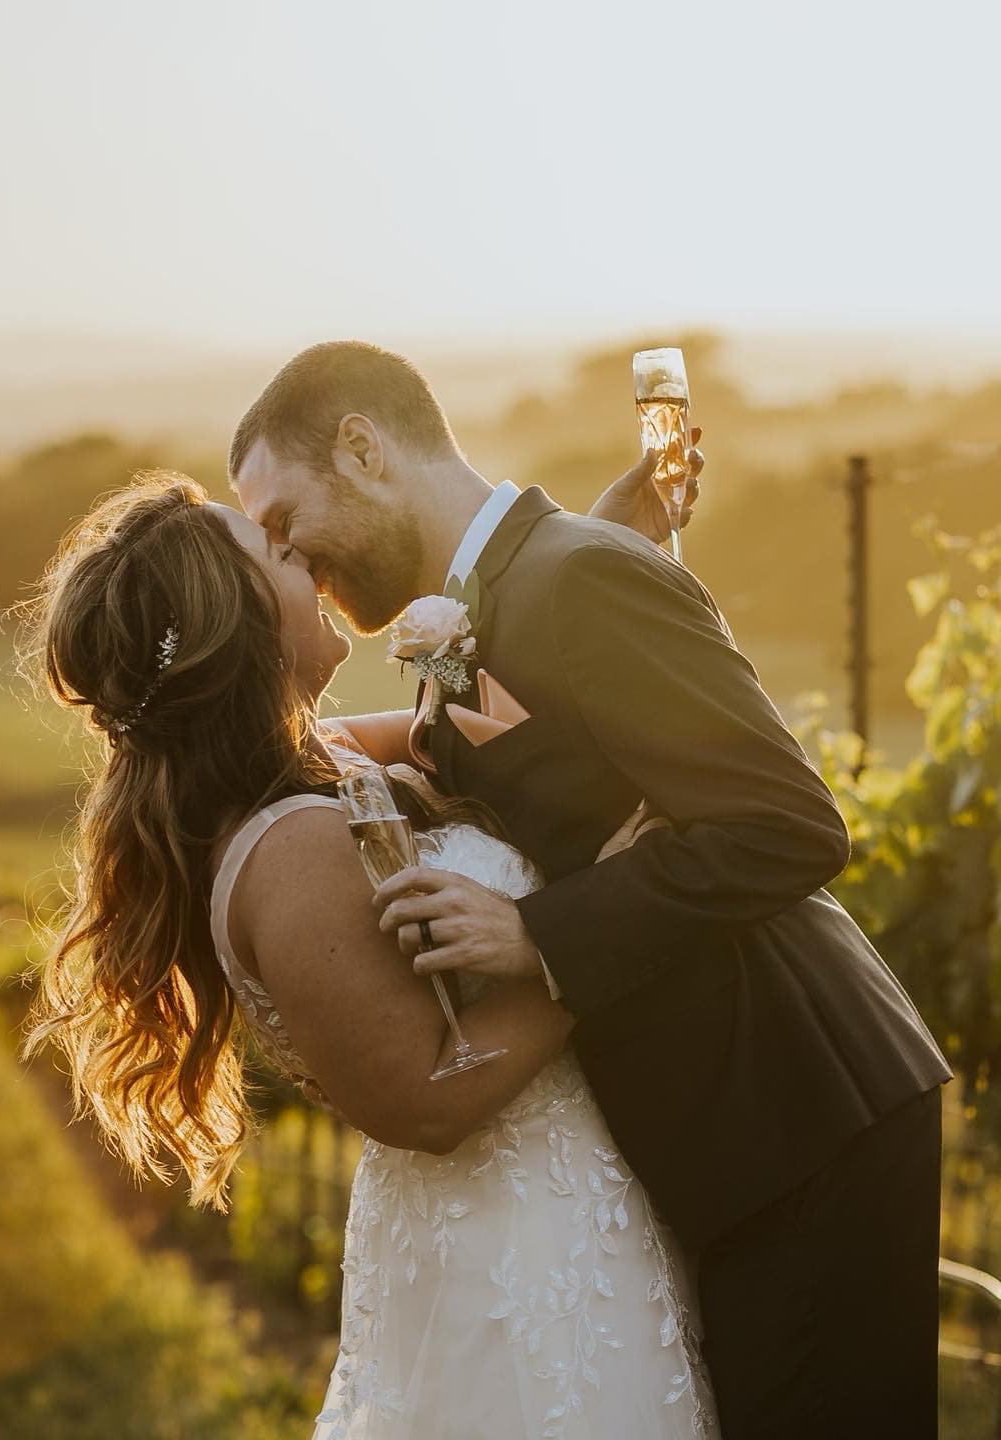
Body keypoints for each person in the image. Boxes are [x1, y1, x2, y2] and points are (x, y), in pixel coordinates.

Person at [229, 340, 952, 1439]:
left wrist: (535, 933)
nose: (290, 554)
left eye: (284, 520)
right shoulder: (518, 592)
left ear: (364, 451)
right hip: (729, 1134)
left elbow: (791, 823)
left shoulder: (573, 578)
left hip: (806, 1111)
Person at [14, 460, 719, 1437]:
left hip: (562, 1216)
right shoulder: (289, 848)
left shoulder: (322, 762)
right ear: (246, 626)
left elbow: (487, 735)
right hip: (506, 1248)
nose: (307, 558)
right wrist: (597, 919)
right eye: (279, 555)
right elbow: (429, 1102)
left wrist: (602, 548)